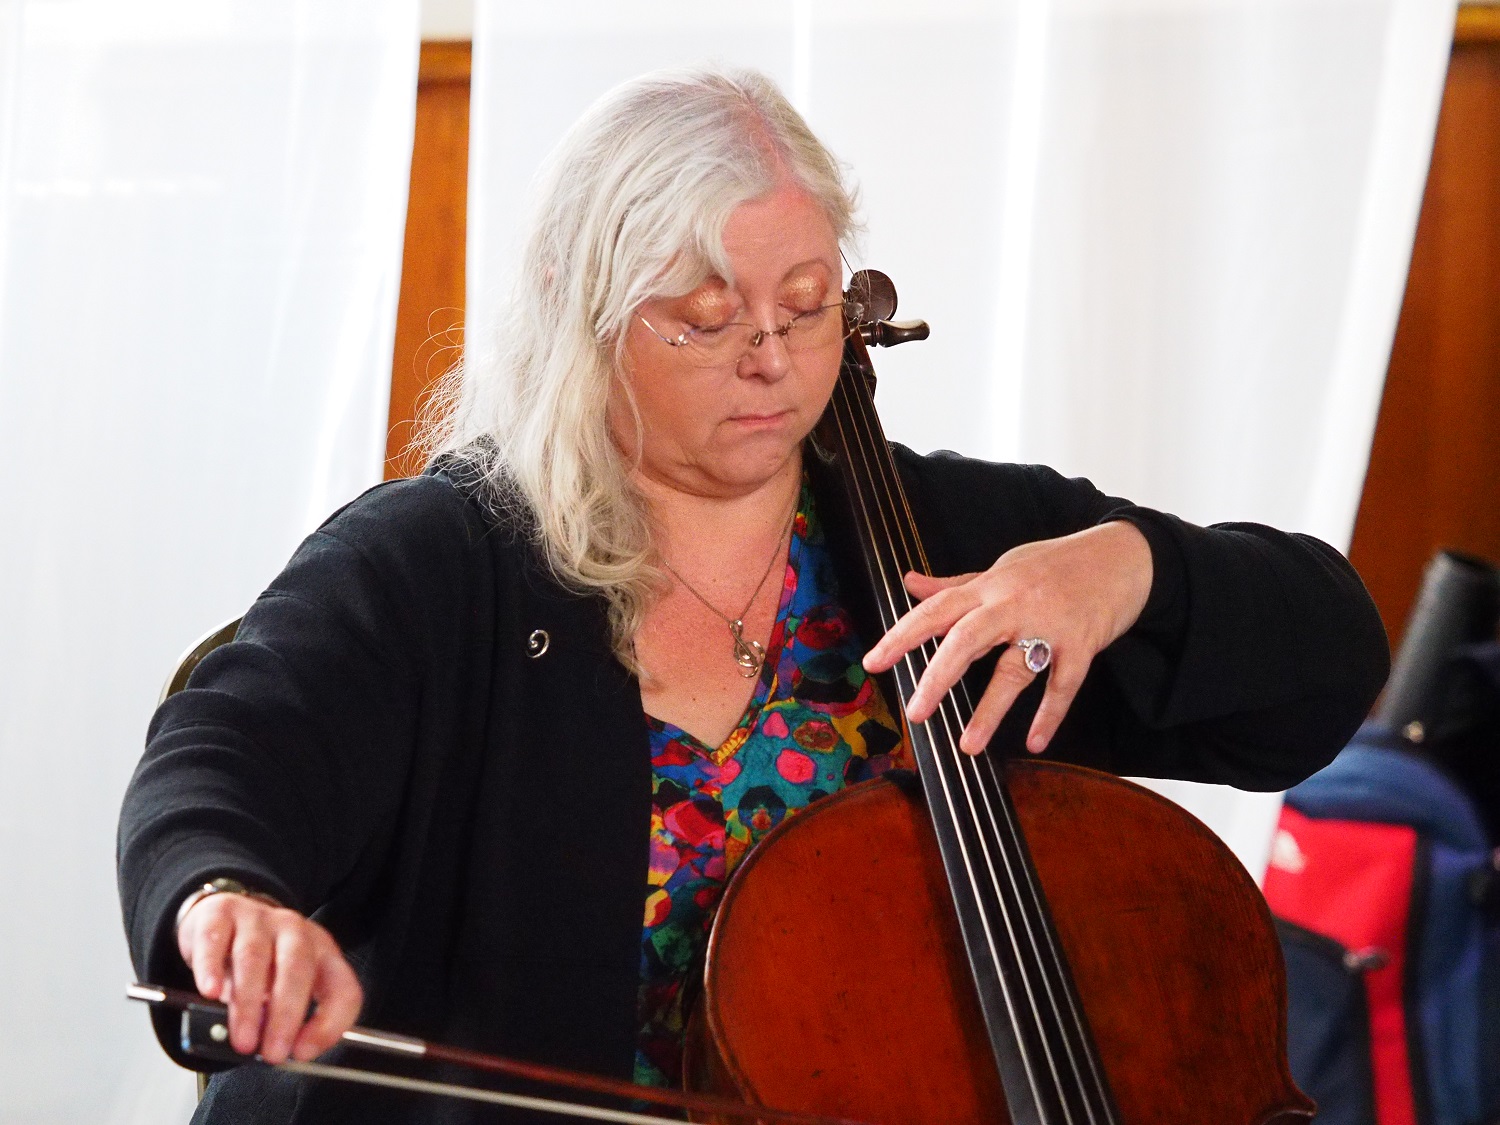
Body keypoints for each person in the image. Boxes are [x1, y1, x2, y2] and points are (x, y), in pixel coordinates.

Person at [118, 65, 1389, 1123]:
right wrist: (228, 905)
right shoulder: (444, 564)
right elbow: (222, 760)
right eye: (707, 318)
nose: (773, 359)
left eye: (807, 307)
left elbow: (1324, 668)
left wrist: (1128, 566)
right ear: (581, 314)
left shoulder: (944, 543)